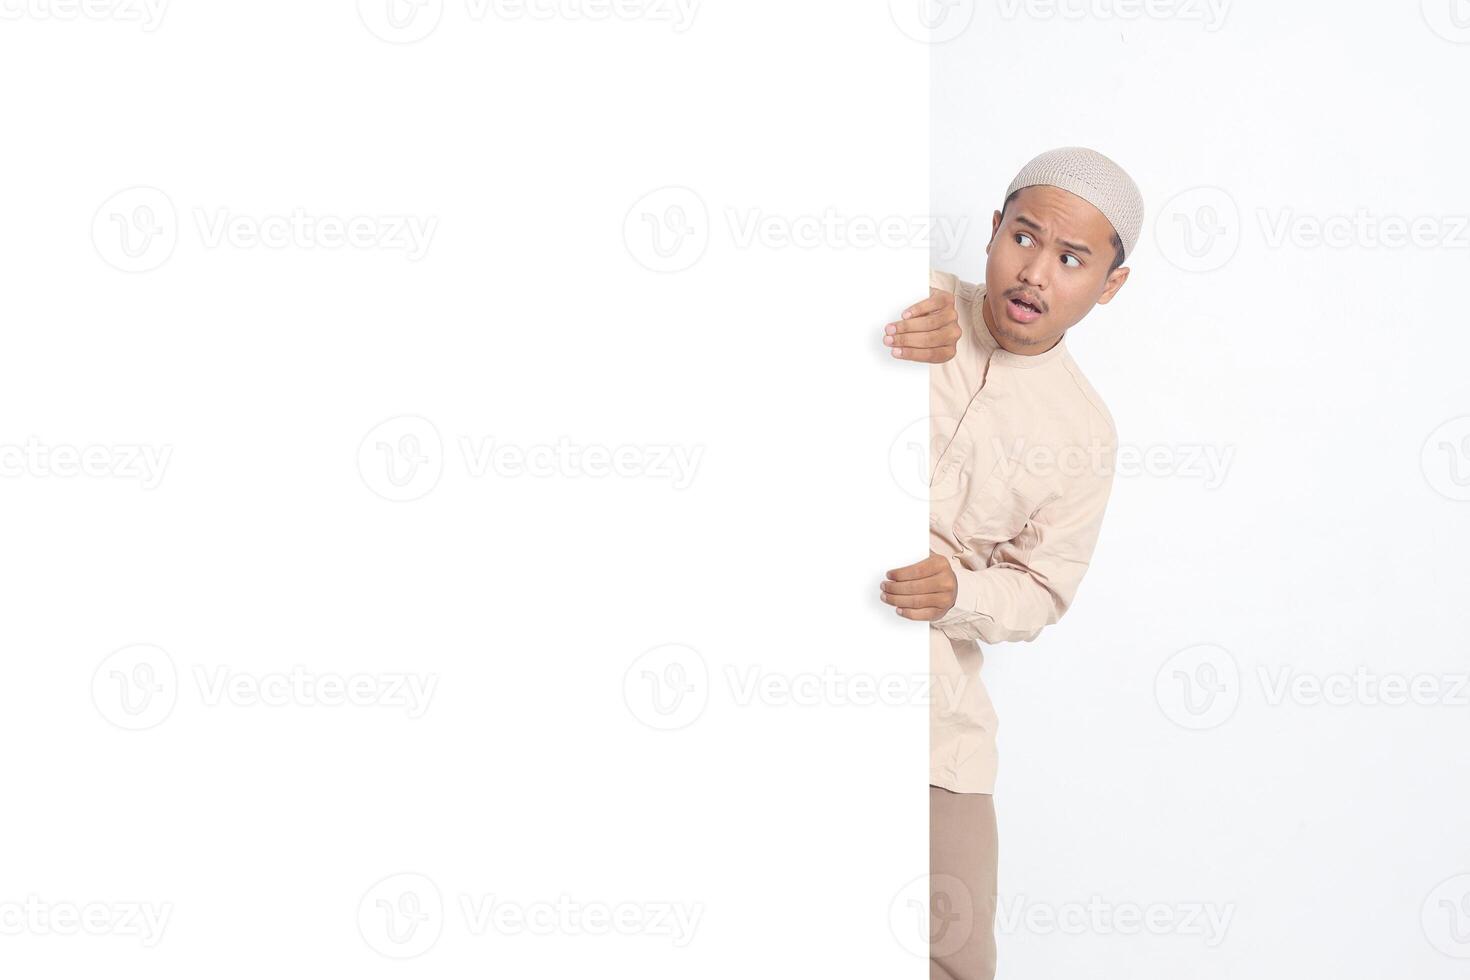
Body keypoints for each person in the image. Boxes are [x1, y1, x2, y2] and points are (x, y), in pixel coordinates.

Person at [881, 146, 1144, 980]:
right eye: (1023, 238)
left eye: (1071, 259)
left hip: (934, 719)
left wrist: (958, 590)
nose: (1035, 273)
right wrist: (869, 329)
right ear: (993, 231)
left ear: (1108, 285)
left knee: (956, 962)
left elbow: (1041, 593)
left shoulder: (1085, 435)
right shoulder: (904, 294)